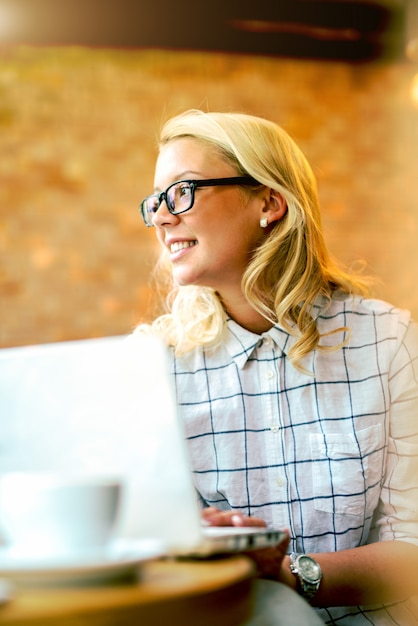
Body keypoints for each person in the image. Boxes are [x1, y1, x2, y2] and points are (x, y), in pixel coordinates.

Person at [136, 109, 418, 625]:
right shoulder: (156, 369)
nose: (161, 218)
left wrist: (288, 574)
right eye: (155, 201)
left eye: (181, 191)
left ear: (268, 202)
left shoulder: (391, 341)